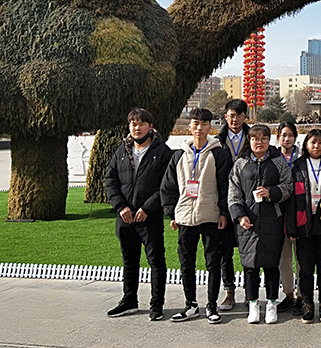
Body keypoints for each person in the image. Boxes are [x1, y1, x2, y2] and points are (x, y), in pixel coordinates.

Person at [160, 108, 233, 323]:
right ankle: (190, 304)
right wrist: (172, 213)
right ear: (189, 126)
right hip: (185, 217)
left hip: (211, 216)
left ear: (210, 127)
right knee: (186, 263)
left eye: (204, 124)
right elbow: (168, 186)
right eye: (195, 123)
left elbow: (225, 186)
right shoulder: (179, 155)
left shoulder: (219, 154)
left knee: (213, 263)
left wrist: (223, 212)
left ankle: (211, 305)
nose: (199, 128)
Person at [105, 108, 173, 321]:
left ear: (150, 127)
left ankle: (156, 304)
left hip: (149, 217)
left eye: (141, 124)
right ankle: (129, 300)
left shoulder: (162, 152)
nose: (137, 128)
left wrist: (147, 208)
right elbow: (110, 181)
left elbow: (166, 185)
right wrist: (121, 207)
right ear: (129, 127)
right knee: (129, 261)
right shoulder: (122, 151)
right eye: (133, 124)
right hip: (125, 217)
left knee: (156, 261)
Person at [228, 124, 292, 324]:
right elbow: (233, 192)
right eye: (255, 139)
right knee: (250, 266)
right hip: (248, 223)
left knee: (271, 265)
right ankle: (253, 304)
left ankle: (272, 303)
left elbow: (288, 186)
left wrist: (271, 192)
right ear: (250, 141)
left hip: (273, 221)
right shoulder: (240, 163)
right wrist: (240, 216)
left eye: (264, 138)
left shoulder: (278, 162)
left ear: (269, 140)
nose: (260, 142)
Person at [286, 129, 321, 323]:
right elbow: (291, 201)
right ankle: (307, 304)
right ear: (306, 145)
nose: (316, 146)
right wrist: (291, 228)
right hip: (304, 223)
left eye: (320, 142)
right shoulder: (297, 167)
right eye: (313, 142)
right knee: (305, 268)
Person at [217, 98, 250, 310]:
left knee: (248, 251)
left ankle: (249, 292)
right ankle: (229, 293)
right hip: (223, 204)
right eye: (231, 116)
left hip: (247, 204)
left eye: (238, 115)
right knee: (224, 252)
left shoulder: (253, 138)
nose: (234, 120)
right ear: (225, 117)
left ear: (245, 117)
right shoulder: (217, 142)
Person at [275, 122, 303, 315]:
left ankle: (301, 296)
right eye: (283, 135)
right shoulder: (272, 157)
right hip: (279, 213)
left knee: (301, 258)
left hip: (299, 213)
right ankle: (289, 294)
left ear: (295, 137)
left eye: (290, 135)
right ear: (278, 137)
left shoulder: (302, 158)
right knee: (283, 258)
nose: (287, 139)